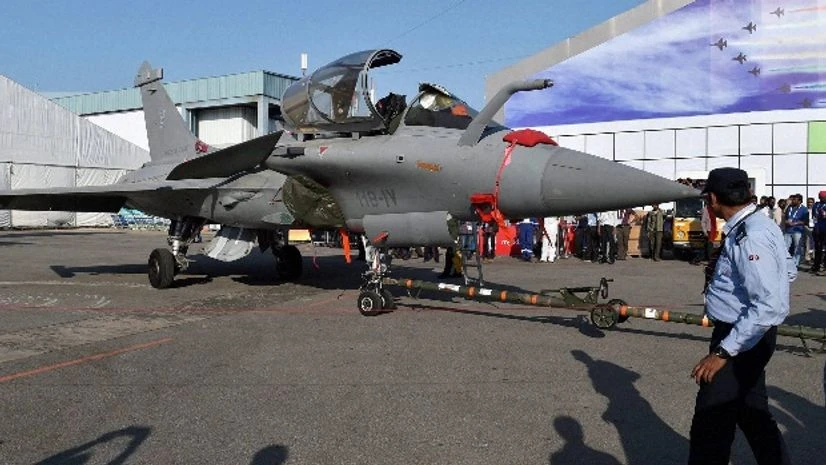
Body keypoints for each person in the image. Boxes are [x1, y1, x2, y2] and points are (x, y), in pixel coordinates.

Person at [688, 167, 794, 465]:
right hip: (749, 334)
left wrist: (723, 352)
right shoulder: (759, 224)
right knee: (752, 413)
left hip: (741, 336)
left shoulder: (750, 236)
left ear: (712, 198)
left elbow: (768, 305)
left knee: (711, 424)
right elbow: (790, 270)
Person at [783, 193, 808, 267]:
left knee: (797, 247)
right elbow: (786, 216)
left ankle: (795, 262)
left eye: (795, 200)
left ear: (800, 201)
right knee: (785, 246)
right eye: (792, 199)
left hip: (797, 230)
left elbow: (805, 221)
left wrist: (796, 223)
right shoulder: (789, 207)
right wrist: (786, 221)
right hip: (788, 230)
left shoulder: (804, 209)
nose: (793, 201)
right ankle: (785, 262)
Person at [810, 191, 826, 274]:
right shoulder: (816, 205)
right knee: (818, 248)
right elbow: (814, 216)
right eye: (821, 197)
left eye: (824, 197)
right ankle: (816, 265)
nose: (823, 198)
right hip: (817, 229)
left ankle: (824, 267)